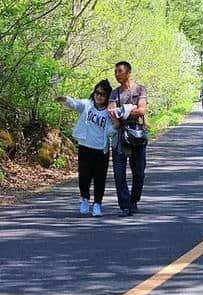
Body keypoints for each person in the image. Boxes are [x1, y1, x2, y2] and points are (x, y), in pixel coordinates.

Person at [55, 80, 115, 217]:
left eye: (103, 94)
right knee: (84, 175)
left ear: (107, 96)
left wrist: (116, 126)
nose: (99, 96)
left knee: (100, 178)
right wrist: (64, 99)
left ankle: (97, 204)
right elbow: (74, 104)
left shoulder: (109, 111)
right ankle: (84, 199)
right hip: (85, 146)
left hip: (101, 149)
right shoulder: (87, 105)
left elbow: (111, 130)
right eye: (97, 93)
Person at [107, 61, 148, 217]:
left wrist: (122, 111)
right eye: (115, 71)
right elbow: (111, 111)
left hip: (137, 134)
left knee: (139, 172)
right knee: (119, 173)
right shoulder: (114, 93)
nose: (117, 74)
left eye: (120, 71)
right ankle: (125, 205)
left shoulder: (140, 89)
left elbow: (142, 110)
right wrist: (131, 108)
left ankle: (134, 201)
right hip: (120, 135)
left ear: (129, 72)